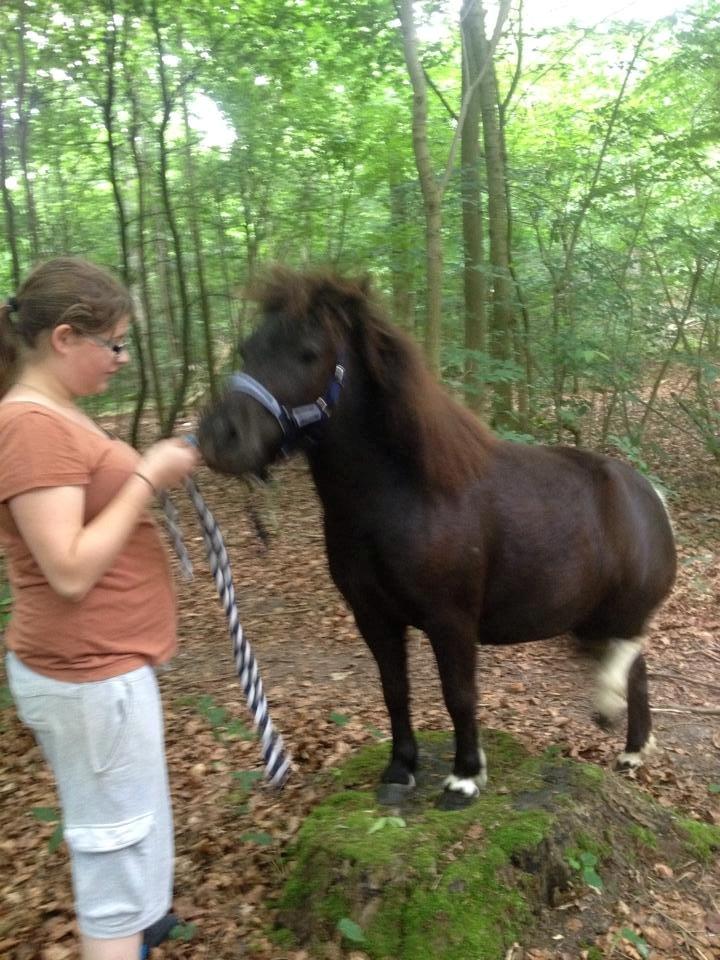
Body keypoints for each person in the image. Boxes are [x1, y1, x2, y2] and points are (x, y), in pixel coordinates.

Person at [0, 256, 200, 960]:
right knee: (115, 876)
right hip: (87, 677)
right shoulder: (31, 425)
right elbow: (69, 569)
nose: (120, 359)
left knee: (132, 850)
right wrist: (147, 473)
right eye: (112, 343)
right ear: (63, 338)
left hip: (101, 672)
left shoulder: (54, 417)